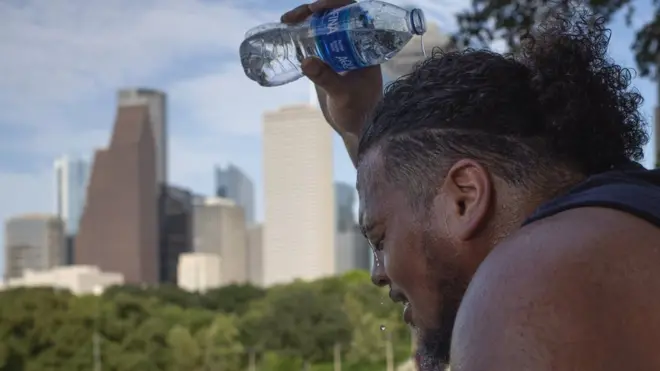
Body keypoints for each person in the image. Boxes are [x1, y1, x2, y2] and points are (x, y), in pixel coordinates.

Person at [282, 1, 660, 370]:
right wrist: (359, 129)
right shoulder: (624, 219)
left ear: (465, 197)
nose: (378, 274)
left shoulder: (536, 284)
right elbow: (414, 195)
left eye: (380, 239)